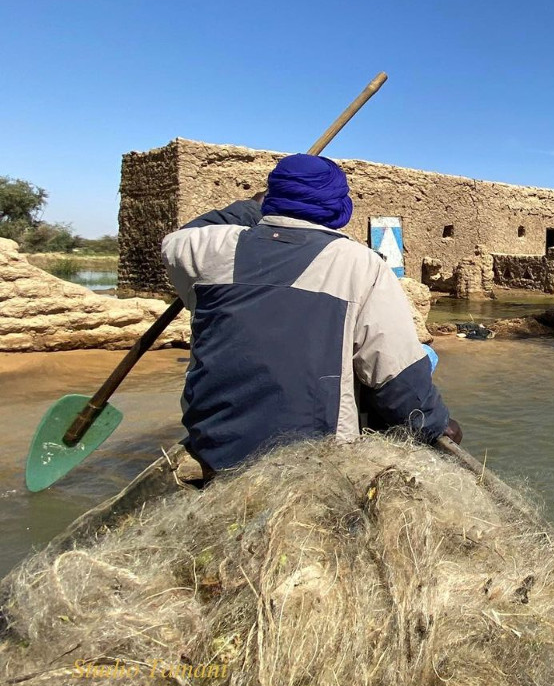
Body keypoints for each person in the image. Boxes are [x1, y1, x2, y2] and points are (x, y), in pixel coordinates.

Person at [161, 153, 461, 473]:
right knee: (422, 366)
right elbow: (398, 379)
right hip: (314, 454)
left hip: (217, 446)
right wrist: (436, 425)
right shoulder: (359, 264)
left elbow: (183, 236)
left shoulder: (208, 249)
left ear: (272, 198)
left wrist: (253, 206)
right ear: (338, 206)